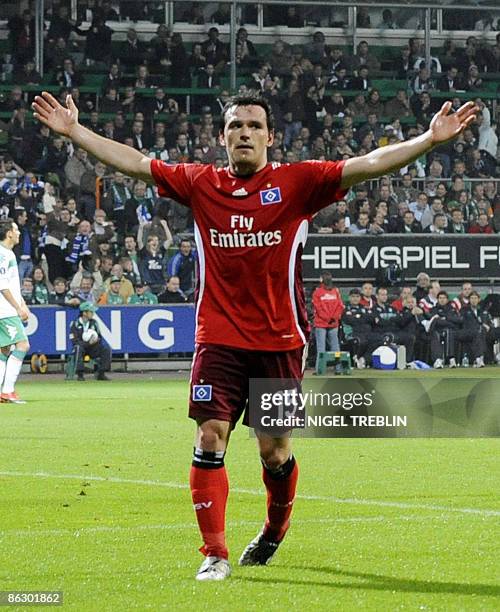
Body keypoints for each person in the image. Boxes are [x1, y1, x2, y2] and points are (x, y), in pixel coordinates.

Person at [32, 89, 478, 581]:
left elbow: (368, 163)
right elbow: (138, 163)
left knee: (274, 451)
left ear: (269, 136)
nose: (243, 133)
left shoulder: (299, 182)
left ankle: (273, 529)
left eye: (253, 125)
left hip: (279, 341)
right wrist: (75, 131)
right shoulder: (202, 183)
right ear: (222, 137)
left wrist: (429, 141)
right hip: (217, 338)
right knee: (209, 434)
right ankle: (214, 553)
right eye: (234, 126)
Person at [0, 219, 31, 403]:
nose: (19, 233)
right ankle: (8, 390)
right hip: (5, 310)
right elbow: (2, 285)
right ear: (9, 233)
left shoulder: (7, 253)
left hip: (6, 308)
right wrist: (17, 307)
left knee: (3, 350)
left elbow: (11, 286)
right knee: (22, 345)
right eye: (16, 229)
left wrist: (23, 304)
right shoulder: (4, 255)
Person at [69, 302, 112, 381]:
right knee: (78, 348)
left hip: (92, 348)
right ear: (84, 313)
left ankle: (101, 373)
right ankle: (80, 374)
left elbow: (99, 337)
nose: (93, 313)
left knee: (106, 348)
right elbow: (74, 341)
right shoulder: (74, 324)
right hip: (81, 348)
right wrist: (88, 343)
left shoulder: (94, 323)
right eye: (91, 312)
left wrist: (95, 340)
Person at [311, 272, 344, 374]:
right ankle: (338, 369)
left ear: (322, 279)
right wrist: (334, 318)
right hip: (333, 323)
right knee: (335, 347)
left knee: (321, 347)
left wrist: (327, 319)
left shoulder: (317, 292)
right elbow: (340, 306)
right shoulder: (335, 291)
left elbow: (318, 308)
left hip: (322, 323)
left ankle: (320, 370)